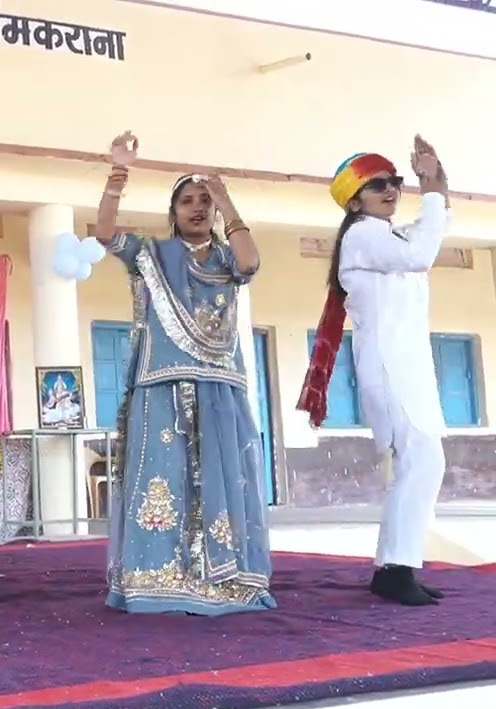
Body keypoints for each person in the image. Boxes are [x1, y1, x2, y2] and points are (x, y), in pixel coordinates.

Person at [94, 132, 275, 616]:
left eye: (204, 202)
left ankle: (225, 579)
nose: (197, 208)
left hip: (219, 385)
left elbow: (250, 261)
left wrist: (227, 198)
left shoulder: (224, 259)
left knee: (223, 479)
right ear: (172, 213)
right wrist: (118, 173)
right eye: (186, 201)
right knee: (164, 480)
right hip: (163, 383)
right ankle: (156, 578)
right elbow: (106, 233)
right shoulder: (154, 256)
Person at [298, 138, 450, 606]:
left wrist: (435, 179)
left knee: (421, 461)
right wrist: (431, 192)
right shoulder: (364, 234)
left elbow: (434, 224)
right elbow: (424, 251)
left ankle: (396, 566)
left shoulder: (389, 235)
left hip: (406, 363)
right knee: (421, 460)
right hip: (391, 363)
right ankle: (396, 569)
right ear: (354, 200)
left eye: (394, 182)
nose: (391, 190)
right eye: (377, 184)